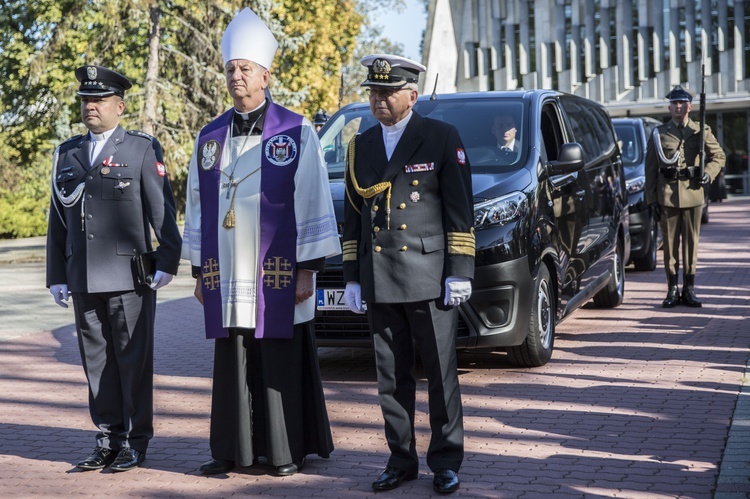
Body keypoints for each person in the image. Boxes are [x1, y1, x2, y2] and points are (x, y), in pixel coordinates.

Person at [181, 7, 341, 477]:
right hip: (227, 271)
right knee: (233, 356)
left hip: (277, 269)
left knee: (277, 354)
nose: (236, 76)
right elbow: (196, 203)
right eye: (230, 68)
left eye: (245, 68)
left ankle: (283, 450)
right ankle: (230, 451)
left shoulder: (294, 130)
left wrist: (308, 268)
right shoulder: (210, 137)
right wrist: (198, 273)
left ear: (266, 75)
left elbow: (312, 197)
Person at [342, 54, 475, 494]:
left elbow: (459, 210)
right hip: (381, 277)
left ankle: (446, 461)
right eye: (373, 92)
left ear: (411, 96)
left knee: (440, 374)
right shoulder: (361, 145)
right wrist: (352, 276)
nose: (377, 100)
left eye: (387, 92)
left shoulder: (439, 138)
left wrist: (459, 270)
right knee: (390, 378)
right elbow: (354, 217)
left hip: (428, 274)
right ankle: (400, 460)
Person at [46, 65, 182, 472]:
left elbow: (162, 211)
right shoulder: (67, 152)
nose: (91, 106)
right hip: (83, 274)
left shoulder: (140, 148)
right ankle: (107, 437)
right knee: (96, 362)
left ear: (119, 106)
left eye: (99, 100)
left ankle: (136, 441)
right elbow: (57, 218)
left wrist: (168, 260)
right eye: (86, 100)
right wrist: (56, 274)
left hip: (129, 277)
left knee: (133, 361)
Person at [645, 85, 725, 308]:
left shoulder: (701, 131)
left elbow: (718, 156)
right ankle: (672, 289)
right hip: (667, 196)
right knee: (670, 246)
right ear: (669, 106)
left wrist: (708, 174)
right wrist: (651, 200)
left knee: (691, 245)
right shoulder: (659, 134)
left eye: (681, 103)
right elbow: (650, 169)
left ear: (690, 106)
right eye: (673, 103)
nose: (677, 106)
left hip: (692, 194)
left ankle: (689, 288)